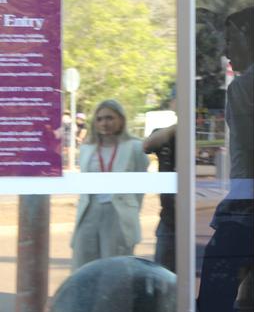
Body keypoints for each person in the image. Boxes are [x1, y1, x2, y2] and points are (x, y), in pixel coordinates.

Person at [196, 6, 254, 312]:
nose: (226, 51)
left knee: (214, 293)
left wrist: (237, 202)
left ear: (249, 37)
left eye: (231, 40)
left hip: (248, 205)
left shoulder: (244, 87)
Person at [71, 99, 149, 270]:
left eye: (109, 118)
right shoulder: (87, 148)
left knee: (115, 268)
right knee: (84, 265)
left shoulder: (135, 147)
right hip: (89, 210)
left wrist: (130, 209)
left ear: (121, 119)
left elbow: (140, 188)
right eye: (99, 119)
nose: (104, 123)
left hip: (118, 213)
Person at [143, 118, 176, 272]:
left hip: (190, 218)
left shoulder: (195, 134)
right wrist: (175, 128)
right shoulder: (166, 133)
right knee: (162, 273)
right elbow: (146, 146)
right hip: (168, 219)